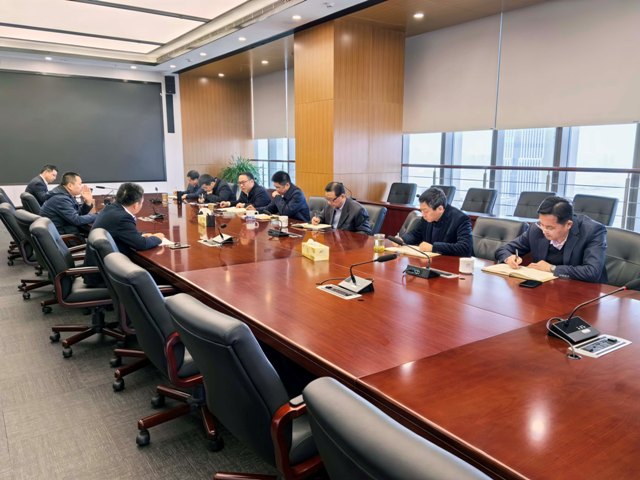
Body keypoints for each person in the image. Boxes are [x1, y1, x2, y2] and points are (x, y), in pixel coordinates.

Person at [495, 196, 607, 283]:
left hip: (584, 292)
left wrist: (552, 268)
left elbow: (592, 272)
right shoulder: (536, 229)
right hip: (547, 287)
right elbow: (503, 250)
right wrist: (509, 258)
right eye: (541, 224)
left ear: (568, 224)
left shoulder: (592, 231)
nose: (544, 231)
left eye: (550, 227)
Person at [84, 183, 164, 286]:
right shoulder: (123, 217)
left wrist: (140, 235)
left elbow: (121, 231)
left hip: (99, 269)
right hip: (106, 277)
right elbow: (141, 244)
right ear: (136, 205)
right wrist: (157, 238)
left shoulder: (110, 208)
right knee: (158, 277)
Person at [401, 187, 473, 256]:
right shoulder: (426, 218)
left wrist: (433, 247)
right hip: (432, 260)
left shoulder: (460, 219)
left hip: (452, 262)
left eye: (426, 211)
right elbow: (416, 234)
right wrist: (402, 240)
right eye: (421, 211)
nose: (423, 215)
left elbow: (465, 248)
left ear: (440, 209)